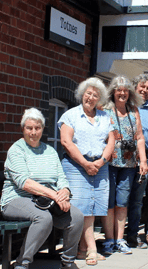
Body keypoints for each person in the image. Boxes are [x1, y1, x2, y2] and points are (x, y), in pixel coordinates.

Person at [0, 108, 84, 269]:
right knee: (43, 218)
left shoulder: (50, 151)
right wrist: (54, 195)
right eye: (29, 128)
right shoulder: (16, 150)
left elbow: (61, 178)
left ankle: (67, 262)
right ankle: (22, 264)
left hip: (47, 201)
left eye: (37, 128)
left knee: (77, 216)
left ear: (42, 129)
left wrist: (64, 192)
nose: (33, 132)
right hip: (17, 199)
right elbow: (24, 182)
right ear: (22, 128)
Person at [58, 77, 115, 265]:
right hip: (76, 166)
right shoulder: (70, 116)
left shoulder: (104, 117)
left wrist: (101, 161)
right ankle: (91, 248)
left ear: (99, 99)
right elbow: (66, 142)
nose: (90, 97)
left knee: (92, 206)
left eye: (95, 95)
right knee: (81, 207)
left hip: (100, 166)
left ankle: (82, 249)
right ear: (82, 94)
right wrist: (85, 163)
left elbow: (111, 141)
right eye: (88, 93)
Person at [103, 75, 148, 254]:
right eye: (118, 89)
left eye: (125, 90)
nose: (122, 93)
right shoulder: (105, 109)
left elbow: (140, 137)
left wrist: (143, 160)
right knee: (109, 203)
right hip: (109, 162)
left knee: (122, 203)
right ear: (112, 92)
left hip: (129, 163)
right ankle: (109, 240)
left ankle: (120, 239)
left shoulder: (133, 110)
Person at [127, 74, 148, 249]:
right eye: (142, 86)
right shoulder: (127, 106)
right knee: (123, 197)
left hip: (145, 157)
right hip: (126, 156)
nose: (144, 90)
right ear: (135, 87)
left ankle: (133, 236)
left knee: (139, 199)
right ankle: (119, 236)